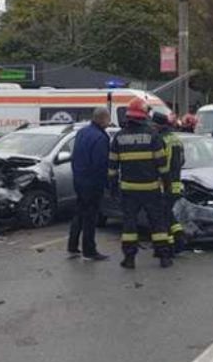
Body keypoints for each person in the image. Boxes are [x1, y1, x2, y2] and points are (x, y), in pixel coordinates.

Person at [109, 98, 173, 269]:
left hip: (128, 190)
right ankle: (164, 257)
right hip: (151, 189)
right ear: (144, 115)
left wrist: (112, 187)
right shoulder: (153, 135)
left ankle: (129, 258)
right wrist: (167, 185)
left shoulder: (119, 137)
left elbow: (112, 167)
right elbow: (163, 165)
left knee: (129, 225)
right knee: (157, 223)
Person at [68, 107, 112, 261]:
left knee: (79, 213)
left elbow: (75, 156)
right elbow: (100, 163)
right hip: (93, 182)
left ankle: (72, 245)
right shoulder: (101, 137)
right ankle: (89, 250)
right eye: (108, 119)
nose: (109, 122)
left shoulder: (82, 132)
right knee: (91, 217)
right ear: (103, 119)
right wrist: (106, 183)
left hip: (79, 179)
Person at [153, 111, 186, 254]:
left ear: (157, 125)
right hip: (176, 183)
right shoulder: (176, 138)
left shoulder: (160, 140)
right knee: (168, 213)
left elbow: (159, 163)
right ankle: (179, 237)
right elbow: (182, 160)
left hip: (164, 184)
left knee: (163, 216)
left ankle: (171, 246)